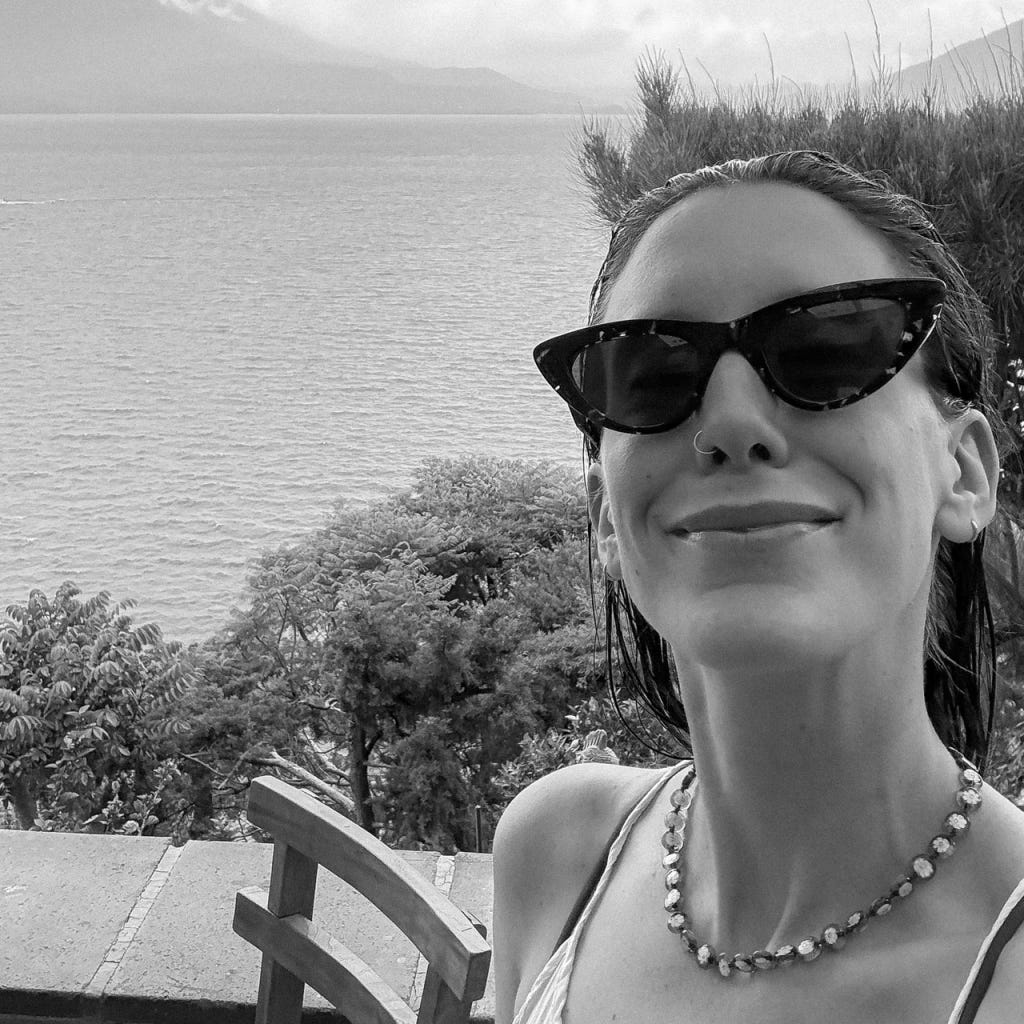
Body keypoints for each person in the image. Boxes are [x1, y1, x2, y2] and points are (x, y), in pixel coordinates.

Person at [493, 150, 1024, 1024]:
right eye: (653, 373)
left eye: (826, 351)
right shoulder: (557, 854)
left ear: (964, 471)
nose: (731, 423)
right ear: (606, 518)